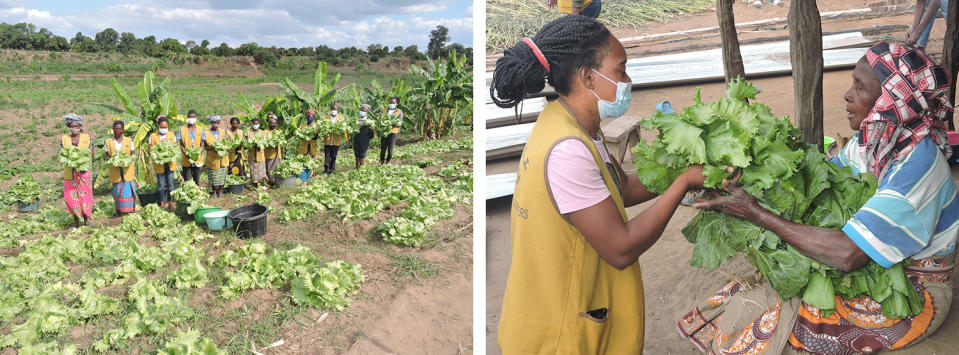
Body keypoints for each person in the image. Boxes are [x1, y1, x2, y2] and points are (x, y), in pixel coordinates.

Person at [679, 42, 958, 354]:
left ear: (890, 102)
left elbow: (848, 254)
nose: (848, 94)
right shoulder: (872, 143)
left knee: (797, 320)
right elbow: (819, 184)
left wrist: (757, 214)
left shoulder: (918, 165)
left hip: (912, 287)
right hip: (875, 263)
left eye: (859, 87)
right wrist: (750, 174)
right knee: (757, 294)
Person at [489, 16, 705, 353]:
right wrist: (684, 182)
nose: (628, 80)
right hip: (561, 333)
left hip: (564, 312)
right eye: (621, 70)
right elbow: (621, 248)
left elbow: (623, 189)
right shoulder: (568, 151)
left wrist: (682, 170)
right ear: (588, 77)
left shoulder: (572, 123)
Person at [59, 113, 95, 227]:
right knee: (71, 197)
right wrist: (71, 162)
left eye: (76, 126)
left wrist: (83, 162)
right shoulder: (64, 139)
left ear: (80, 126)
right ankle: (76, 221)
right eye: (72, 126)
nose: (74, 128)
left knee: (85, 196)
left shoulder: (87, 137)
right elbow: (62, 155)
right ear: (68, 127)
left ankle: (85, 221)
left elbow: (91, 153)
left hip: (84, 173)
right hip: (70, 173)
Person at [105, 120, 137, 216]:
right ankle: (119, 210)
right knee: (117, 191)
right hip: (115, 169)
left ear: (123, 130)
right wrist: (113, 161)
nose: (118, 130)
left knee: (128, 190)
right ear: (113, 130)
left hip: (127, 169)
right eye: (116, 128)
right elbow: (107, 155)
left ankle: (130, 210)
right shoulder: (108, 141)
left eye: (120, 128)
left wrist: (126, 161)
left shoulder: (128, 140)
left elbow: (132, 153)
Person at [147, 116, 178, 211]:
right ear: (158, 126)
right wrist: (157, 153)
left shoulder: (171, 135)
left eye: (166, 127)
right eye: (162, 127)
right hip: (159, 164)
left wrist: (169, 154)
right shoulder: (153, 136)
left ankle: (171, 202)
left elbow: (175, 148)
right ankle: (161, 203)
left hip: (170, 163)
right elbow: (149, 150)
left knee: (170, 184)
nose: (164, 129)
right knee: (160, 185)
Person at [202, 114, 229, 197]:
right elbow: (204, 146)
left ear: (219, 122)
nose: (216, 123)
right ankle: (214, 191)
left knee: (222, 175)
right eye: (214, 122)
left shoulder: (223, 131)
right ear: (211, 122)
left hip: (222, 157)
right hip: (212, 158)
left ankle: (220, 191)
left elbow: (227, 142)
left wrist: (223, 146)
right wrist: (211, 148)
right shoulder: (206, 133)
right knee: (212, 176)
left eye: (217, 122)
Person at [178, 109, 206, 186]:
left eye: (193, 117)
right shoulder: (182, 129)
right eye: (190, 117)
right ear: (187, 117)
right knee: (187, 181)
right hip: (186, 159)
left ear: (196, 118)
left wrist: (199, 154)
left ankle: (197, 194)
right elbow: (181, 145)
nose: (192, 118)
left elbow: (202, 144)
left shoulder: (200, 129)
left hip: (198, 159)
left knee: (197, 180)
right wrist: (187, 155)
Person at [323, 103, 349, 175]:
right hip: (327, 140)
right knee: (327, 156)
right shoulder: (326, 117)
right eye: (333, 109)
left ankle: (331, 170)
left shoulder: (341, 118)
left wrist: (346, 137)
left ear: (337, 110)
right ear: (330, 110)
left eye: (335, 109)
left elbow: (344, 129)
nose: (334, 110)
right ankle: (326, 170)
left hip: (336, 141)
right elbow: (322, 128)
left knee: (334, 156)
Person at [380, 97, 403, 164]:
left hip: (393, 132)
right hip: (384, 132)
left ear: (396, 104)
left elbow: (400, 122)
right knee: (383, 149)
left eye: (393, 103)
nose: (391, 104)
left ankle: (387, 163)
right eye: (390, 102)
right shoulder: (384, 110)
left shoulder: (399, 111)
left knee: (390, 150)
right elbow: (380, 119)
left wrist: (390, 123)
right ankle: (382, 163)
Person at [298, 109, 320, 177]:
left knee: (312, 159)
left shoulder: (316, 126)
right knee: (304, 158)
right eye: (308, 117)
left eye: (311, 117)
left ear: (313, 117)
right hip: (304, 146)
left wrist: (312, 136)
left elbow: (317, 137)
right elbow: (300, 136)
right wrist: (304, 136)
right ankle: (305, 174)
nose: (309, 118)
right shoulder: (302, 126)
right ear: (306, 118)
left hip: (312, 146)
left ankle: (312, 173)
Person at [247, 118, 268, 186]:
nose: (255, 125)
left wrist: (259, 145)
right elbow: (246, 142)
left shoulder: (262, 132)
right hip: (252, 154)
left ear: (259, 124)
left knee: (261, 170)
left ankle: (261, 184)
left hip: (260, 154)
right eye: (254, 124)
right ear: (252, 124)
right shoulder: (248, 132)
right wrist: (251, 145)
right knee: (253, 170)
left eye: (256, 124)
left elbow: (265, 142)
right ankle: (254, 184)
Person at [353, 104, 374, 169]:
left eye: (364, 110)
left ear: (367, 112)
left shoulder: (369, 121)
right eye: (361, 110)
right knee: (356, 153)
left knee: (362, 154)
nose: (362, 111)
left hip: (364, 139)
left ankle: (361, 167)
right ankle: (356, 167)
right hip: (356, 138)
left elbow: (371, 133)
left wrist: (369, 129)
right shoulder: (356, 120)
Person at [264, 114, 283, 185]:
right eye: (271, 123)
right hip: (269, 154)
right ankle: (270, 182)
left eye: (274, 124)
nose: (273, 125)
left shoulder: (278, 132)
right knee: (269, 169)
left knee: (278, 168)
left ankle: (278, 182)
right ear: (268, 123)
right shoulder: (265, 132)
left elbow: (281, 141)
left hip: (277, 153)